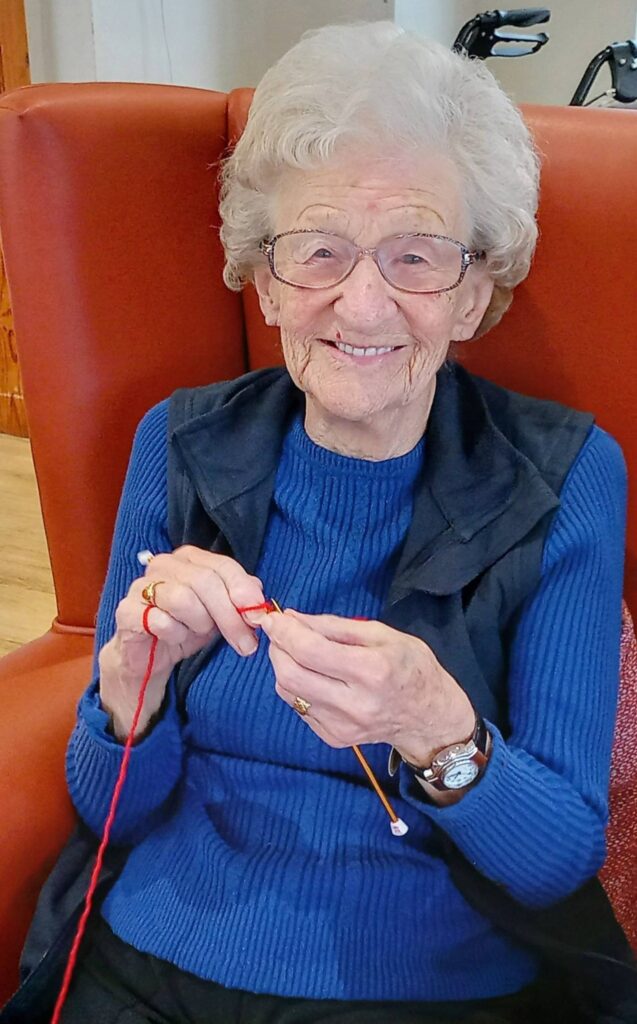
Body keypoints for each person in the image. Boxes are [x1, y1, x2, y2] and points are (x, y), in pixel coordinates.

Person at [26, 20, 634, 1024]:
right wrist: (126, 687)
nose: (361, 306)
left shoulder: (567, 474)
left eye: (414, 255)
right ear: (263, 277)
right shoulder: (177, 443)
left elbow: (556, 857)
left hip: (420, 987)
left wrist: (436, 726)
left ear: (474, 291)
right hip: (140, 963)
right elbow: (111, 807)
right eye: (318, 252)